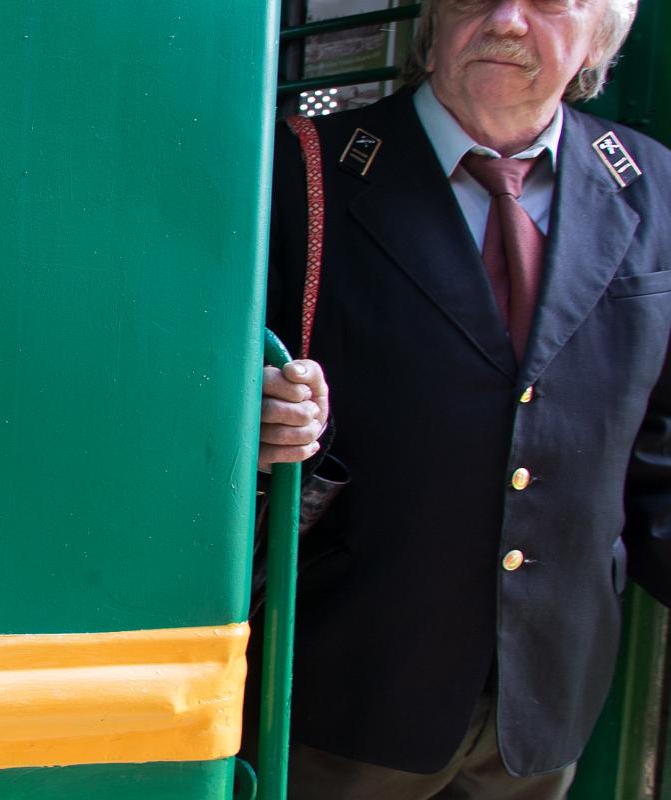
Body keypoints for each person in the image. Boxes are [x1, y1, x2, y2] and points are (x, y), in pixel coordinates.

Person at [260, 0, 671, 795]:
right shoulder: (299, 174)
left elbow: (659, 449)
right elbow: (195, 404)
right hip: (348, 691)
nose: (506, 20)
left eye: (549, 2)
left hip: (546, 704)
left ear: (599, 38)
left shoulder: (654, 188)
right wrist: (265, 420)